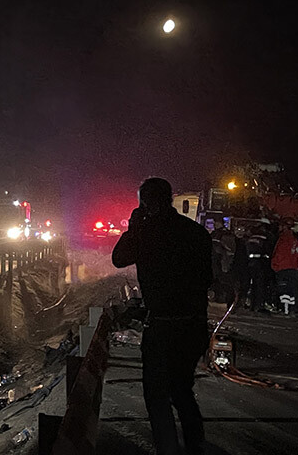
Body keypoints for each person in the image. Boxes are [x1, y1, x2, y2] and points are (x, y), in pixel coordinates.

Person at [112, 177, 212, 455]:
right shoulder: (196, 232)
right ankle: (195, 446)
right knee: (182, 390)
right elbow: (208, 278)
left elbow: (119, 258)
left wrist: (134, 227)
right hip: (194, 324)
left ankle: (167, 448)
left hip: (163, 326)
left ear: (145, 202)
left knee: (157, 394)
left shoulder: (146, 233)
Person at [270, 222, 298, 315]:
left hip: (283, 268)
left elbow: (277, 254)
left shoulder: (282, 240)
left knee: (284, 289)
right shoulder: (296, 241)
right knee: (292, 290)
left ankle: (285, 309)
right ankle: (292, 309)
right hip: (294, 269)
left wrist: (274, 266)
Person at [244, 221, 274, 311]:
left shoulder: (251, 238)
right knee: (260, 285)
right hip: (261, 264)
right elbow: (269, 251)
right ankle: (259, 305)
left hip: (250, 263)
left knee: (251, 285)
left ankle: (250, 305)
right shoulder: (265, 238)